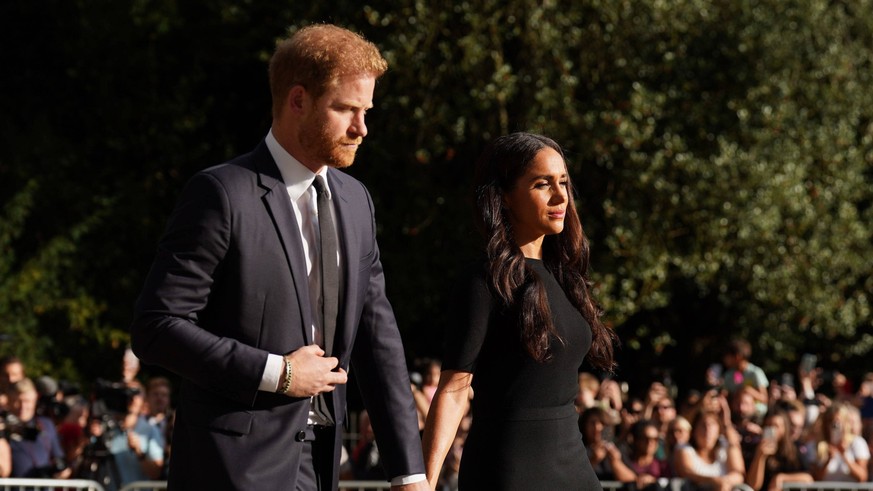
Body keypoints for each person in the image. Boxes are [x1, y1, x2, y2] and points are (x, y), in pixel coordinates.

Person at [130, 24, 426, 490]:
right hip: (232, 466)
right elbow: (156, 327)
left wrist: (410, 474)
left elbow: (379, 341)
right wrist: (279, 374)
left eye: (366, 110)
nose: (362, 128)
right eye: (346, 109)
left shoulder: (356, 201)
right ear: (298, 101)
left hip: (323, 464)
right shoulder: (222, 193)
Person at [421, 132, 618, 489]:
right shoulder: (483, 280)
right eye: (543, 184)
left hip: (573, 466)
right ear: (505, 197)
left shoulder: (566, 277)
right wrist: (423, 482)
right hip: (508, 470)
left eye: (563, 182)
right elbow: (453, 389)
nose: (561, 196)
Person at [6, 378, 71, 478]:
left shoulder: (46, 425)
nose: (22, 407)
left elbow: (59, 457)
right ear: (9, 402)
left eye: (27, 401)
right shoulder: (4, 427)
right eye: (17, 401)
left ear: (34, 401)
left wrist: (61, 471)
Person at [673, 408, 746, 491]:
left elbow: (739, 474)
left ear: (719, 429)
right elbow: (686, 472)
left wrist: (724, 482)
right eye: (703, 425)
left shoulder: (726, 446)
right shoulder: (683, 448)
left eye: (712, 425)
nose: (707, 430)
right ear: (694, 430)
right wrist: (712, 481)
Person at [745, 410, 812, 491]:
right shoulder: (754, 449)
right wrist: (760, 457)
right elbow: (752, 486)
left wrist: (782, 478)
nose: (771, 429)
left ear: (785, 428)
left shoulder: (794, 449)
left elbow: (808, 479)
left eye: (776, 426)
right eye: (768, 425)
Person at [808, 401, 869, 482]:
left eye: (839, 422)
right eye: (831, 422)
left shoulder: (857, 442)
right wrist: (828, 460)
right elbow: (815, 479)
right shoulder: (816, 445)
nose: (835, 426)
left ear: (846, 422)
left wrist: (844, 456)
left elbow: (862, 477)